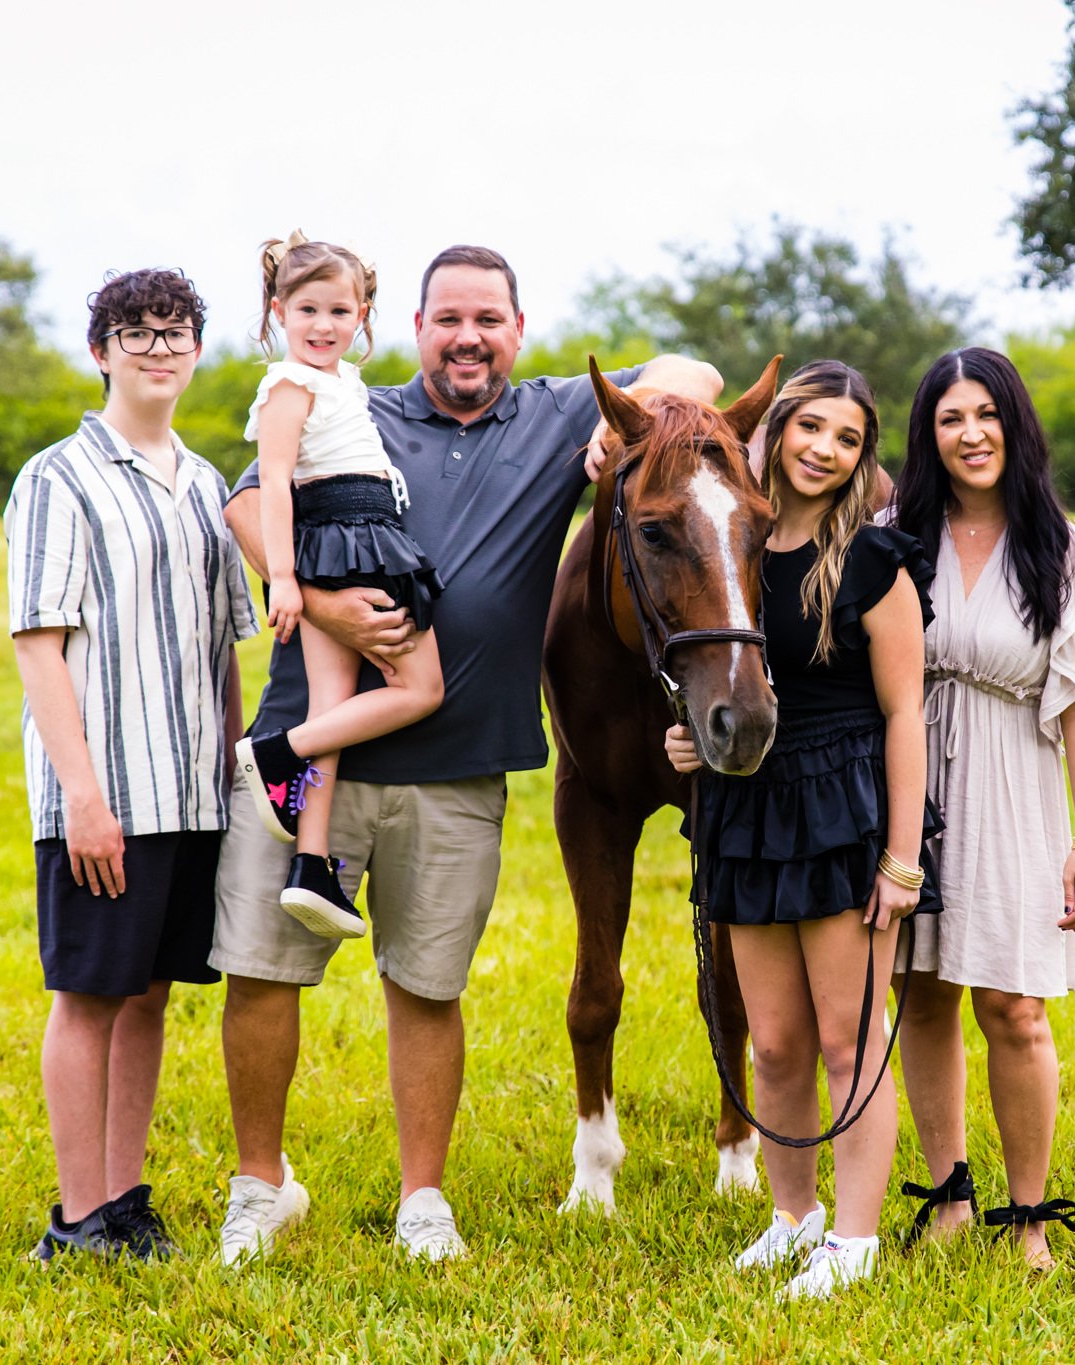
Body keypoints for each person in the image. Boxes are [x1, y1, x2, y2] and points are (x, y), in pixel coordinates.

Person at [213, 244, 723, 1267]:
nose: (467, 337)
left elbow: (695, 375)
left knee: (429, 986)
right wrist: (322, 608)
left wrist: (634, 421)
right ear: (411, 328)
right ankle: (259, 1186)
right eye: (448, 318)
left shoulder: (553, 417)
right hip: (311, 754)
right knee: (265, 974)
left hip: (456, 771)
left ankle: (423, 1198)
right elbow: (240, 508)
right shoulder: (346, 406)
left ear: (518, 334)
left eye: (488, 319)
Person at [664, 360, 937, 1300]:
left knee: (847, 1039)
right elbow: (709, 665)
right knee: (772, 1042)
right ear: (777, 429)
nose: (824, 449)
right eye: (811, 428)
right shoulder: (730, 534)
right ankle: (794, 1215)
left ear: (863, 457)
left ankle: (854, 1240)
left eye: (848, 438)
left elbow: (908, 712)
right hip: (746, 802)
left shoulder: (871, 558)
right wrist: (688, 738)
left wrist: (902, 859)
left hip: (840, 803)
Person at [5, 268, 256, 1262]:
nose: (158, 346)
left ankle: (123, 1201)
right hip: (105, 789)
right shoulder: (57, 477)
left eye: (176, 330)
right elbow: (38, 642)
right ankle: (76, 1220)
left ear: (196, 349)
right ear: (101, 349)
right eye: (136, 331)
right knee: (91, 994)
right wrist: (81, 798)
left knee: (150, 993)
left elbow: (222, 645)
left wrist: (235, 785)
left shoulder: (204, 484)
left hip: (190, 791)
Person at [889, 347, 1075, 1272]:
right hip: (910, 781)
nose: (971, 433)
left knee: (1014, 1006)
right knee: (923, 993)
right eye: (951, 418)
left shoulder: (1065, 553)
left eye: (987, 414)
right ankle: (948, 1195)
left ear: (1014, 425)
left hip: (1018, 790)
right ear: (929, 435)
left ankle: (1029, 1220)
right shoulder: (897, 530)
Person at [232, 232, 445, 941]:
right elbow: (274, 489)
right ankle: (276, 753)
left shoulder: (341, 384)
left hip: (355, 535)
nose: (323, 326)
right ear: (278, 313)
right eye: (307, 310)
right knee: (420, 688)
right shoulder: (288, 386)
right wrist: (285, 579)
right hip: (343, 541)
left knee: (334, 707)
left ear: (362, 316)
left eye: (339, 311)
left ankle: (313, 862)